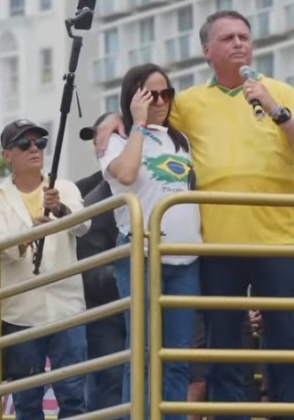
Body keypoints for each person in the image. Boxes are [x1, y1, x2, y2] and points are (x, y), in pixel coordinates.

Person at [96, 11, 294, 418]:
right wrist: (112, 120)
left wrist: (277, 110)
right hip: (218, 246)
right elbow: (153, 119)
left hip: (277, 242)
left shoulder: (280, 91)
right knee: (224, 350)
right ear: (207, 51)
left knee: (289, 343)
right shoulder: (189, 103)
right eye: (227, 38)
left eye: (244, 36)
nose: (239, 43)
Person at [99, 63, 202, 419]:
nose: (160, 101)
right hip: (140, 253)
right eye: (150, 94)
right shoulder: (116, 139)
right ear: (133, 97)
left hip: (185, 258)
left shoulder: (181, 139)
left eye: (166, 93)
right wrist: (136, 122)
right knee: (141, 352)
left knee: (176, 355)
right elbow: (126, 173)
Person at [0, 119, 90, 419]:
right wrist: (30, 234)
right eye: (24, 144)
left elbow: (84, 225)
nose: (34, 149)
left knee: (74, 397)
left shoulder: (63, 188)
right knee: (27, 403)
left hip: (67, 307)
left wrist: (60, 211)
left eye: (40, 143)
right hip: (21, 313)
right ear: (7, 155)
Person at [75, 115, 126, 413]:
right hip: (106, 313)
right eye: (102, 140)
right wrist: (131, 270)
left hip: (148, 302)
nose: (107, 146)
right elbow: (90, 271)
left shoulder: (157, 186)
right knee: (110, 381)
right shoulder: (84, 197)